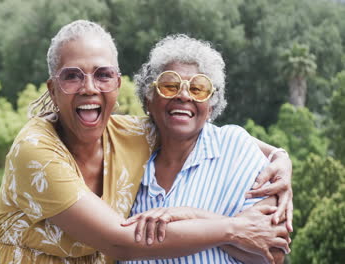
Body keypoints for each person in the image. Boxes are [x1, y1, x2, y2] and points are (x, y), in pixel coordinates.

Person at [0, 20, 291, 264]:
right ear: (52, 88)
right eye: (72, 76)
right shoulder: (34, 150)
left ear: (117, 83)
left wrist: (279, 157)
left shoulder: (132, 135)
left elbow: (189, 123)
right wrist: (232, 228)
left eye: (103, 75)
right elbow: (121, 242)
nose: (89, 87)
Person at [119, 35, 288, 264]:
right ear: (149, 99)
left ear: (210, 107)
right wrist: (231, 229)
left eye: (198, 88)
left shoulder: (234, 148)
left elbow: (273, 252)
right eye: (170, 85)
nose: (184, 95)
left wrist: (191, 215)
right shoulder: (125, 157)